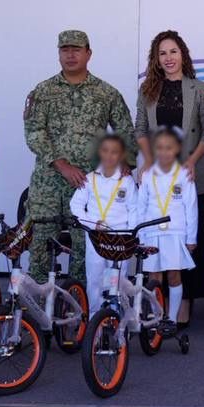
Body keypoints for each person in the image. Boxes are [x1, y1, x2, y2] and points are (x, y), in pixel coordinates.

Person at [24, 29, 136, 282]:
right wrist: (61, 164)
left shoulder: (106, 93)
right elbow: (33, 132)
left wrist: (126, 164)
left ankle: (80, 306)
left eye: (76, 49)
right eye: (65, 50)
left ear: (89, 53)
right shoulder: (43, 91)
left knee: (86, 246)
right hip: (48, 182)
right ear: (59, 54)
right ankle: (39, 309)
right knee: (40, 243)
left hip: (90, 184)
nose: (70, 55)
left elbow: (125, 130)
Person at [134, 30, 204, 322]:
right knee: (155, 242)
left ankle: (183, 305)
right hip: (158, 175)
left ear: (183, 55)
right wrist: (150, 159)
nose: (168, 58)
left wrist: (192, 161)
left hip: (189, 173)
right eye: (162, 53)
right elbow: (140, 128)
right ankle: (156, 309)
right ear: (156, 58)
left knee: (188, 239)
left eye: (173, 52)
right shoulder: (147, 90)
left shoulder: (199, 88)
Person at [136, 128, 199, 337]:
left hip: (175, 233)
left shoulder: (184, 174)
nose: (164, 152)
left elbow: (191, 207)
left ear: (177, 149)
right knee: (155, 276)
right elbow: (141, 207)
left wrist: (191, 237)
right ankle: (156, 316)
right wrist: (141, 236)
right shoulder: (147, 175)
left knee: (173, 274)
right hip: (152, 232)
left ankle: (171, 319)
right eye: (160, 148)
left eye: (169, 148)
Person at [68, 134, 138, 314]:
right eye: (105, 151)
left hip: (120, 239)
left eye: (115, 152)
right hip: (95, 238)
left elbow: (134, 210)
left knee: (117, 279)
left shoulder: (127, 181)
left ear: (121, 156)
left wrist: (131, 236)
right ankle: (94, 320)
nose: (109, 156)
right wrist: (91, 223)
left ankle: (117, 320)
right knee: (95, 279)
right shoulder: (90, 178)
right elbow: (75, 205)